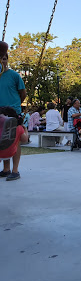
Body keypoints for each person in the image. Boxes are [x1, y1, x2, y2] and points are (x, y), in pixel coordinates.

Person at [0, 41, 27, 181]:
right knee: (3, 140)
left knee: (15, 140)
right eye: (0, 58)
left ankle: (15, 170)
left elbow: (22, 93)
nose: (2, 60)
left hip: (13, 111)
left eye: (4, 58)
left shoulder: (14, 76)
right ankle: (6, 169)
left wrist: (15, 105)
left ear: (7, 60)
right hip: (0, 111)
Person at [0, 107, 29, 181]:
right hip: (11, 153)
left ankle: (6, 170)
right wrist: (25, 130)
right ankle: (14, 171)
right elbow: (25, 140)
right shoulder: (19, 127)